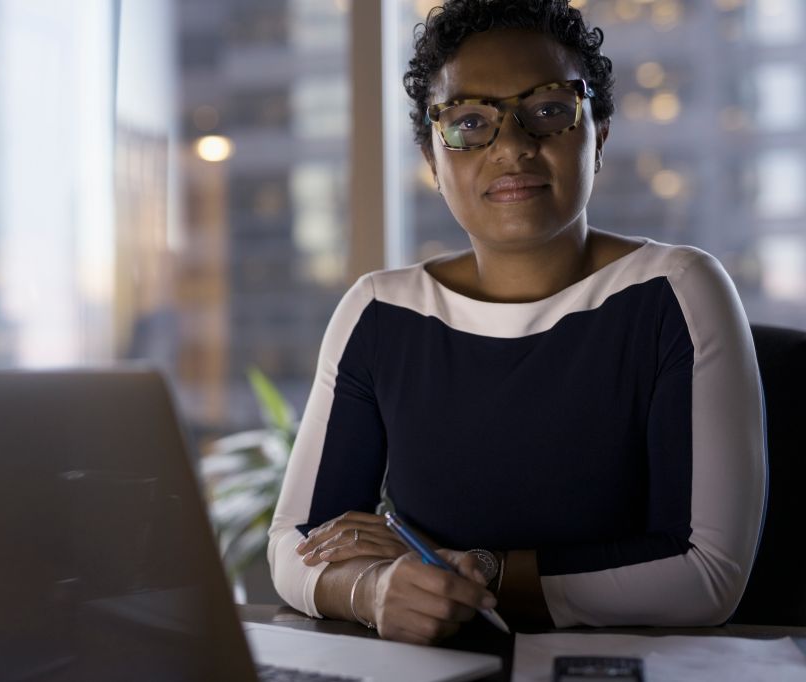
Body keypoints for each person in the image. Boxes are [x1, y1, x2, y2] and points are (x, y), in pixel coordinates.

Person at [267, 0, 767, 645]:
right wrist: (373, 590)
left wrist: (477, 572)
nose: (512, 147)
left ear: (600, 134)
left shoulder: (675, 291)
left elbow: (706, 577)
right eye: (470, 121)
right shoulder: (380, 313)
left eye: (550, 111)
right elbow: (295, 545)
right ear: (432, 159)